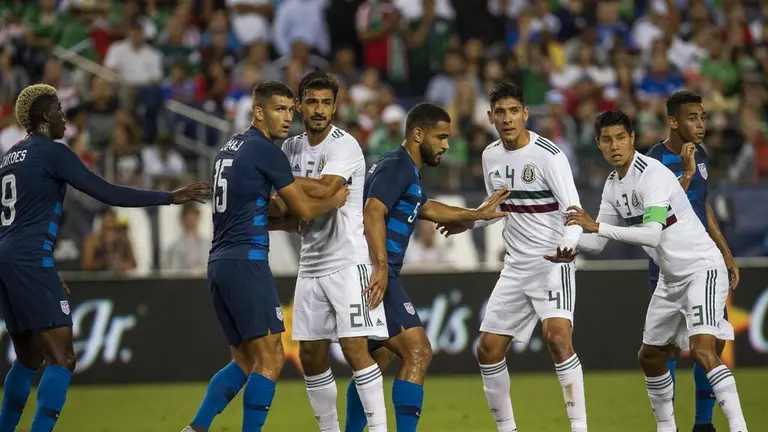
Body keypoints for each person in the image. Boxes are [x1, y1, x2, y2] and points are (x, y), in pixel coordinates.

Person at [0, 84, 210, 432]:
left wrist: (42, 266)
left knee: (27, 358)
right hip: (28, 260)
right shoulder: (54, 152)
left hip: (9, 258)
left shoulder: (11, 156)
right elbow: (108, 193)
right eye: (58, 110)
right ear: (43, 117)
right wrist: (168, 198)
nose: (65, 117)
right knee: (62, 359)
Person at [182, 81, 349, 432]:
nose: (288, 117)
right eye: (279, 109)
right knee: (272, 356)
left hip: (220, 262)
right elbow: (304, 209)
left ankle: (196, 428)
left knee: (244, 359)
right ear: (259, 112)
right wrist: (333, 201)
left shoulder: (228, 149)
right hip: (247, 261)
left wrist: (285, 218)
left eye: (291, 109)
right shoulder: (267, 151)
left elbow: (260, 208)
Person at [567, 110, 748, 432]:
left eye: (621, 137)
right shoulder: (612, 185)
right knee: (650, 355)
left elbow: (651, 234)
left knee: (703, 351)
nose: (614, 145)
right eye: (607, 140)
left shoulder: (651, 173)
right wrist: (559, 246)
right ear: (598, 144)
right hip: (670, 277)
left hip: (700, 268)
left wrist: (597, 225)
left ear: (632, 138)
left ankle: (739, 427)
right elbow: (596, 244)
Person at [344, 102, 510, 432]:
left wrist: (474, 215)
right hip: (375, 271)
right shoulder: (398, 166)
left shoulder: (404, 169)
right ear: (418, 134)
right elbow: (373, 211)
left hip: (368, 269)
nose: (447, 145)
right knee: (418, 352)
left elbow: (427, 208)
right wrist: (379, 268)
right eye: (442, 137)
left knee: (379, 356)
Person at [436, 82, 587, 432]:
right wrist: (469, 222)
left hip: (552, 263)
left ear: (525, 113)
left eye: (513, 111)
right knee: (487, 349)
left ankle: (579, 428)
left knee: (557, 338)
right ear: (490, 117)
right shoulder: (490, 156)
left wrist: (568, 243)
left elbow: (575, 212)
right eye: (500, 113)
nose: (507, 119)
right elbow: (496, 207)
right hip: (516, 267)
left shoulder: (550, 156)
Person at [277, 71, 390, 431]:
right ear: (299, 106)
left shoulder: (345, 145)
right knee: (310, 354)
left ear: (336, 107)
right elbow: (288, 208)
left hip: (347, 259)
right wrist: (282, 193)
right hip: (310, 261)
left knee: (356, 349)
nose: (319, 109)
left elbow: (327, 190)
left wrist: (278, 181)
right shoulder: (289, 149)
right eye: (312, 101)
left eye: (326, 102)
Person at [646, 91, 739, 432]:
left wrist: (726, 252)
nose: (701, 124)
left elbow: (703, 204)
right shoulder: (653, 163)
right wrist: (683, 174)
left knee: (713, 342)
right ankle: (668, 424)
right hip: (669, 267)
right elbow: (658, 216)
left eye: (703, 117)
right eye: (692, 118)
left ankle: (704, 424)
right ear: (673, 121)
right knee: (666, 348)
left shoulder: (700, 155)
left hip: (704, 263)